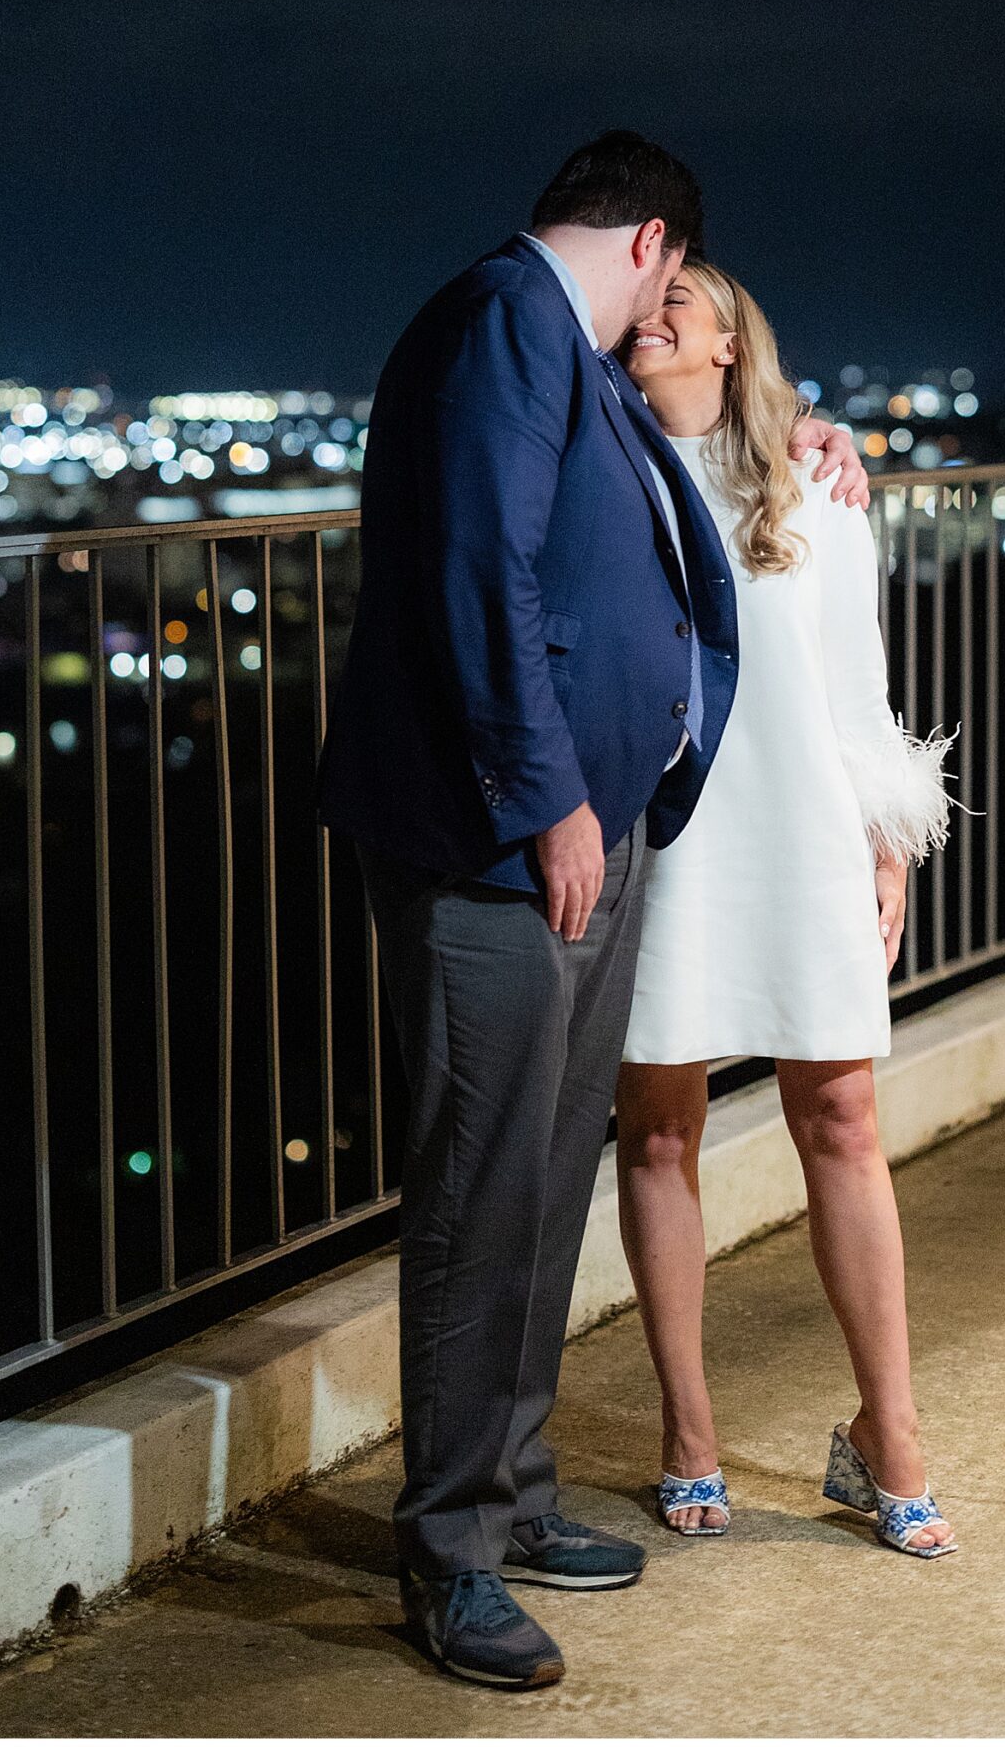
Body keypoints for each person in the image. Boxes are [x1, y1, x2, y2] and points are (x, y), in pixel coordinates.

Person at [317, 133, 868, 1688]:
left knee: (549, 1177)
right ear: (648, 242)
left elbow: (672, 483)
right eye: (668, 281)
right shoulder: (509, 320)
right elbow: (484, 571)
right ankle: (451, 1556)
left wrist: (816, 432)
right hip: (504, 842)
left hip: (583, 832)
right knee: (482, 1190)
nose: (662, 308)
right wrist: (549, 798)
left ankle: (515, 1493)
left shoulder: (569, 349)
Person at [614, 260, 959, 1558]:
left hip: (804, 826)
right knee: (658, 1129)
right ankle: (687, 1428)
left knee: (845, 1113)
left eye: (676, 308)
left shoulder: (815, 484)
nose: (648, 320)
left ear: (725, 344)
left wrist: (889, 837)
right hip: (670, 832)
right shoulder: (609, 471)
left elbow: (855, 682)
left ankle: (892, 1437)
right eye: (641, 309)